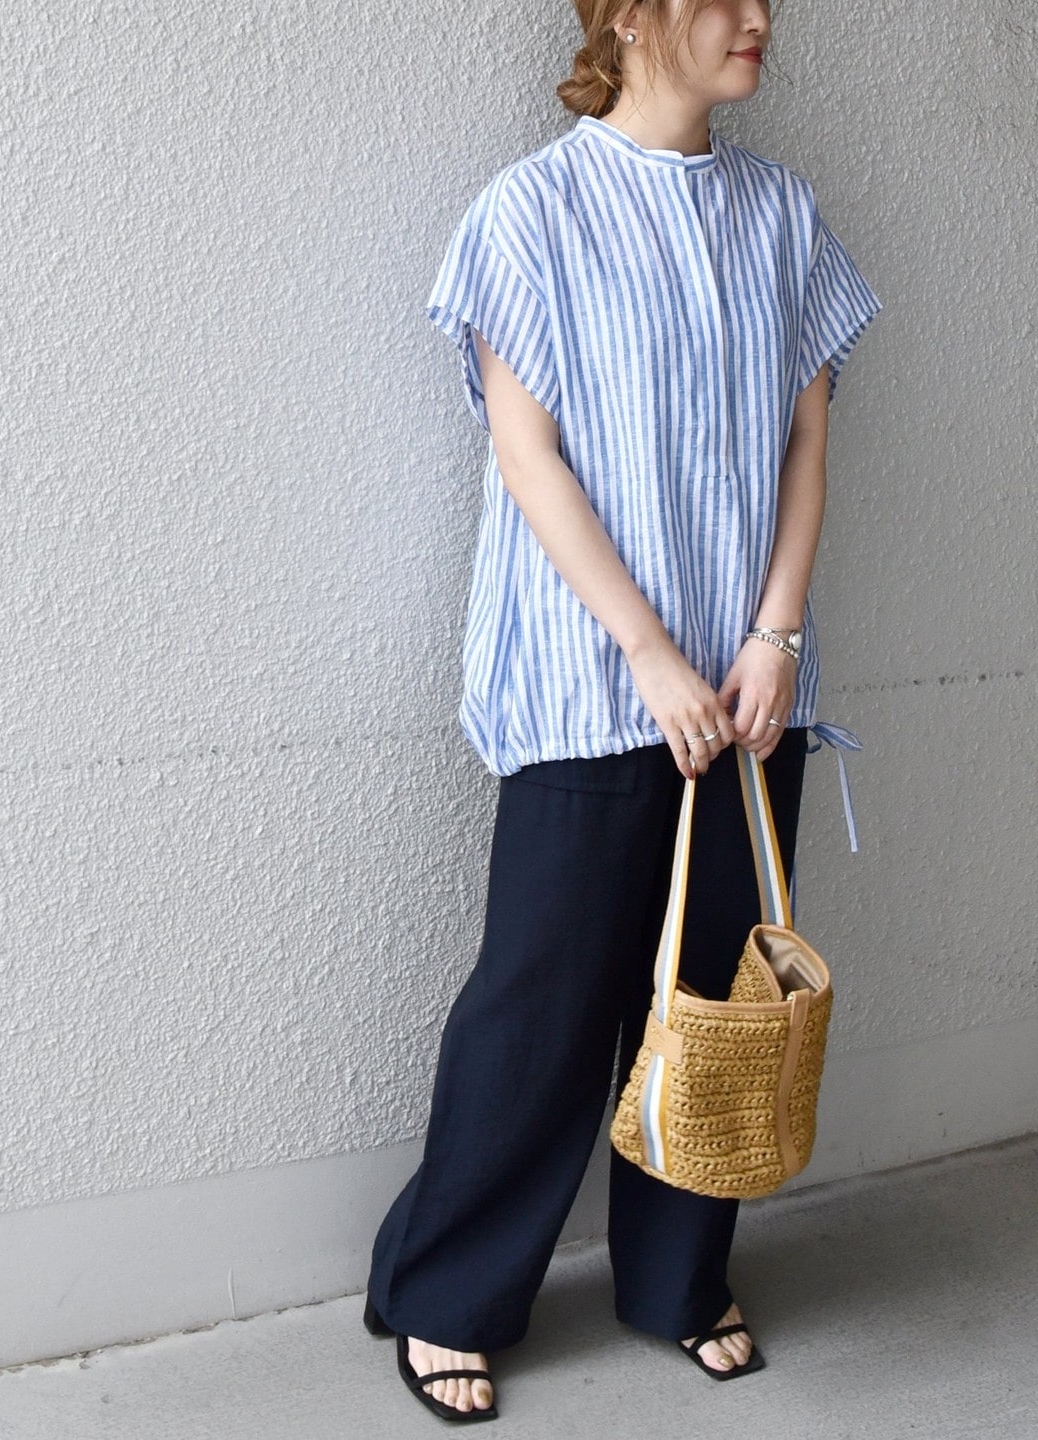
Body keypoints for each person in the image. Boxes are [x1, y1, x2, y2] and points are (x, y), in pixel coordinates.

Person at [364, 0, 882, 1422]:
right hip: (589, 682)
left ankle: (678, 1280)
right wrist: (648, 651)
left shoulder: (783, 216)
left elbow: (808, 442)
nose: (760, 20)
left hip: (753, 688)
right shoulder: (532, 213)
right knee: (545, 1000)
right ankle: (447, 1292)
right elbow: (525, 454)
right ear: (633, 16)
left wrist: (775, 633)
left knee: (716, 1000)